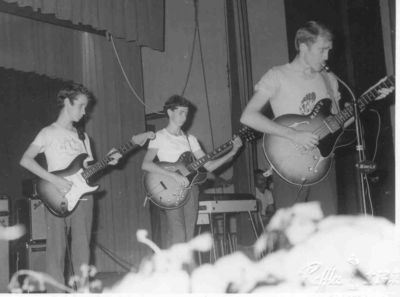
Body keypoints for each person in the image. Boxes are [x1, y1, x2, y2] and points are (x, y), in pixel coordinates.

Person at [19, 83, 153, 292]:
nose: (85, 112)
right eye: (81, 106)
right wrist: (54, 180)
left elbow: (89, 168)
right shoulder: (48, 133)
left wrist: (109, 160)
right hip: (57, 195)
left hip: (83, 198)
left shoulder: (83, 137)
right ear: (66, 102)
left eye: (86, 107)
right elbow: (26, 160)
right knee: (55, 251)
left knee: (82, 250)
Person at [241, 21, 341, 216]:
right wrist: (294, 135)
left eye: (329, 50)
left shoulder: (330, 79)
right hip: (289, 164)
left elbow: (337, 124)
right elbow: (248, 116)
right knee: (292, 235)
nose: (327, 56)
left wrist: (367, 101)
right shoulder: (277, 75)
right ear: (304, 47)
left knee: (327, 233)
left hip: (324, 164)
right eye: (322, 50)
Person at [142, 94, 243, 248]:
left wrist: (232, 152)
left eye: (186, 113)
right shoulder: (159, 137)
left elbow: (209, 166)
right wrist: (172, 175)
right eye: (181, 112)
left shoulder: (190, 139)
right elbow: (146, 164)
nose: (184, 117)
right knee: (179, 234)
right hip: (169, 189)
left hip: (191, 190)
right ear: (170, 112)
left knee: (189, 236)